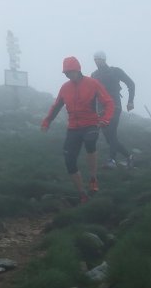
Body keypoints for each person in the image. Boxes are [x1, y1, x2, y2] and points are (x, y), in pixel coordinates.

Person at [41, 56, 114, 204]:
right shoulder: (65, 88)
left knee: (90, 142)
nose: (68, 75)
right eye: (66, 73)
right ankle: (82, 194)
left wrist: (106, 119)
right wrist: (47, 121)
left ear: (78, 70)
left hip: (91, 124)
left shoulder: (92, 83)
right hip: (73, 127)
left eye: (70, 72)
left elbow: (109, 102)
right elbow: (56, 106)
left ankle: (93, 178)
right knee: (69, 161)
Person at [92, 50, 135, 168]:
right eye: (95, 59)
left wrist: (130, 101)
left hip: (114, 105)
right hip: (101, 109)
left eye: (99, 59)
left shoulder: (115, 71)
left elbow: (131, 83)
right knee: (109, 138)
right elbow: (92, 93)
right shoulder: (94, 75)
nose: (97, 61)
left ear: (104, 59)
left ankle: (111, 160)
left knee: (111, 131)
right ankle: (129, 156)